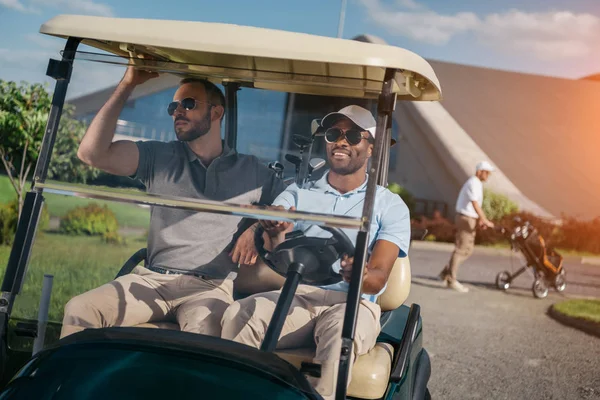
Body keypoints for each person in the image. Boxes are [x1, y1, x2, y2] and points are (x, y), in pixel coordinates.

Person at [60, 64, 284, 338]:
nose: (177, 111)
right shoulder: (158, 157)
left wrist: (256, 227)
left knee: (202, 339)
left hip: (210, 288)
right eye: (173, 106)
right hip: (151, 280)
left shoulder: (252, 170)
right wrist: (128, 84)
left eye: (188, 104)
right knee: (79, 308)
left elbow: (288, 206)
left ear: (216, 112)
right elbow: (91, 154)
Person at [220, 105, 410, 400]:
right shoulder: (298, 193)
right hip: (298, 294)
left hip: (353, 302)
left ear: (371, 148)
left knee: (338, 341)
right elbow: (278, 235)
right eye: (334, 133)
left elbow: (377, 279)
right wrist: (272, 226)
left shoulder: (389, 204)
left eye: (353, 135)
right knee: (239, 315)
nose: (341, 141)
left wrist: (358, 273)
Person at [439, 161, 495, 292]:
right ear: (479, 171)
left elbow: (475, 206)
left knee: (468, 250)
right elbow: (475, 204)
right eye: (487, 172)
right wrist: (484, 220)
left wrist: (479, 220)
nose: (488, 175)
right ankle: (451, 279)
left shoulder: (477, 184)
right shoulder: (473, 183)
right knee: (461, 249)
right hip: (466, 219)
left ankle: (445, 273)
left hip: (470, 218)